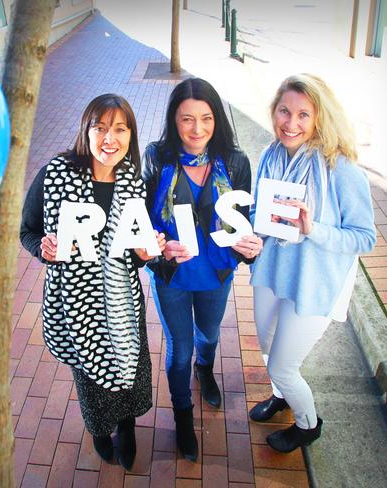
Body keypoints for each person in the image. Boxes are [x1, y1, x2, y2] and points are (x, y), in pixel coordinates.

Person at [20, 93, 165, 470]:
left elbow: (131, 251)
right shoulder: (56, 174)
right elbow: (28, 230)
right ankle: (100, 431)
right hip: (74, 304)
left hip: (121, 301)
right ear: (86, 130)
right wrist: (44, 250)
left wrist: (145, 255)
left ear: (130, 135)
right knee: (90, 379)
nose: (108, 139)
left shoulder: (133, 181)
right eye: (99, 128)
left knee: (130, 369)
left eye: (119, 129)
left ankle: (128, 427)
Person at [248, 73, 376, 453]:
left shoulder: (341, 170)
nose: (291, 123)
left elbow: (364, 237)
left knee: (283, 365)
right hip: (271, 272)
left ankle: (308, 423)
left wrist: (312, 228)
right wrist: (249, 231)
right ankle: (281, 396)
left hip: (313, 284)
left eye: (304, 115)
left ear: (321, 118)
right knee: (268, 346)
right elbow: (261, 210)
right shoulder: (271, 155)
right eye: (284, 111)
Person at [142, 77, 263, 461]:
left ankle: (205, 370)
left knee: (208, 334)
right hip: (174, 274)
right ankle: (182, 415)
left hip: (216, 271)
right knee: (179, 348)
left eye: (206, 118)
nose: (197, 130)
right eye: (187, 120)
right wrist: (154, 248)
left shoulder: (235, 161)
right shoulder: (157, 157)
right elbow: (143, 218)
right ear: (173, 120)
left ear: (217, 119)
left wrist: (251, 247)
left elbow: (244, 218)